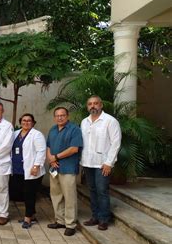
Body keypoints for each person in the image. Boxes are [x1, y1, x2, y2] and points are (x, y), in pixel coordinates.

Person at [81, 96, 121, 231]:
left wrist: (109, 163)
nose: (93, 106)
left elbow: (116, 143)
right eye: (90, 104)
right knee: (92, 190)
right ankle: (95, 217)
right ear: (87, 106)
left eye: (95, 103)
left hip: (102, 164)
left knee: (102, 191)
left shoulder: (110, 121)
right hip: (87, 163)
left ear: (101, 105)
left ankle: (104, 219)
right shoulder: (84, 122)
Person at [46, 107, 83, 236]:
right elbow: (48, 146)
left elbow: (74, 149)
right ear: (54, 117)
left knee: (69, 197)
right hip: (54, 168)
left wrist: (56, 157)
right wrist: (50, 159)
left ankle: (70, 224)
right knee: (56, 195)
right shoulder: (53, 130)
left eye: (62, 115)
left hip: (68, 168)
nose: (60, 117)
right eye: (57, 115)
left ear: (67, 116)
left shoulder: (74, 130)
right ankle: (60, 220)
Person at [11, 113, 46, 229]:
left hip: (31, 170)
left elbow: (41, 151)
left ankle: (27, 218)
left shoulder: (36, 135)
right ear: (20, 122)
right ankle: (32, 214)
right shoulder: (16, 133)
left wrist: (36, 166)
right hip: (18, 169)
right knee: (23, 193)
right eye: (24, 120)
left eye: (29, 121)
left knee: (29, 194)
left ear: (33, 122)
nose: (26, 122)